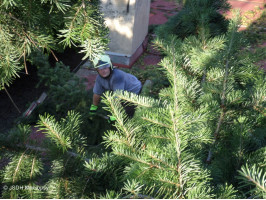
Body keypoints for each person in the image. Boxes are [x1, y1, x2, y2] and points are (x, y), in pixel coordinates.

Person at [89, 54, 142, 121]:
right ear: (97, 70)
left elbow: (118, 98)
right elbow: (97, 93)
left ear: (110, 66)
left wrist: (115, 115)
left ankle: (128, 121)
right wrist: (94, 107)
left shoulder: (117, 77)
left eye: (105, 67)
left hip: (133, 89)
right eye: (100, 69)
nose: (103, 71)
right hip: (121, 89)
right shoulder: (99, 78)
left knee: (128, 109)